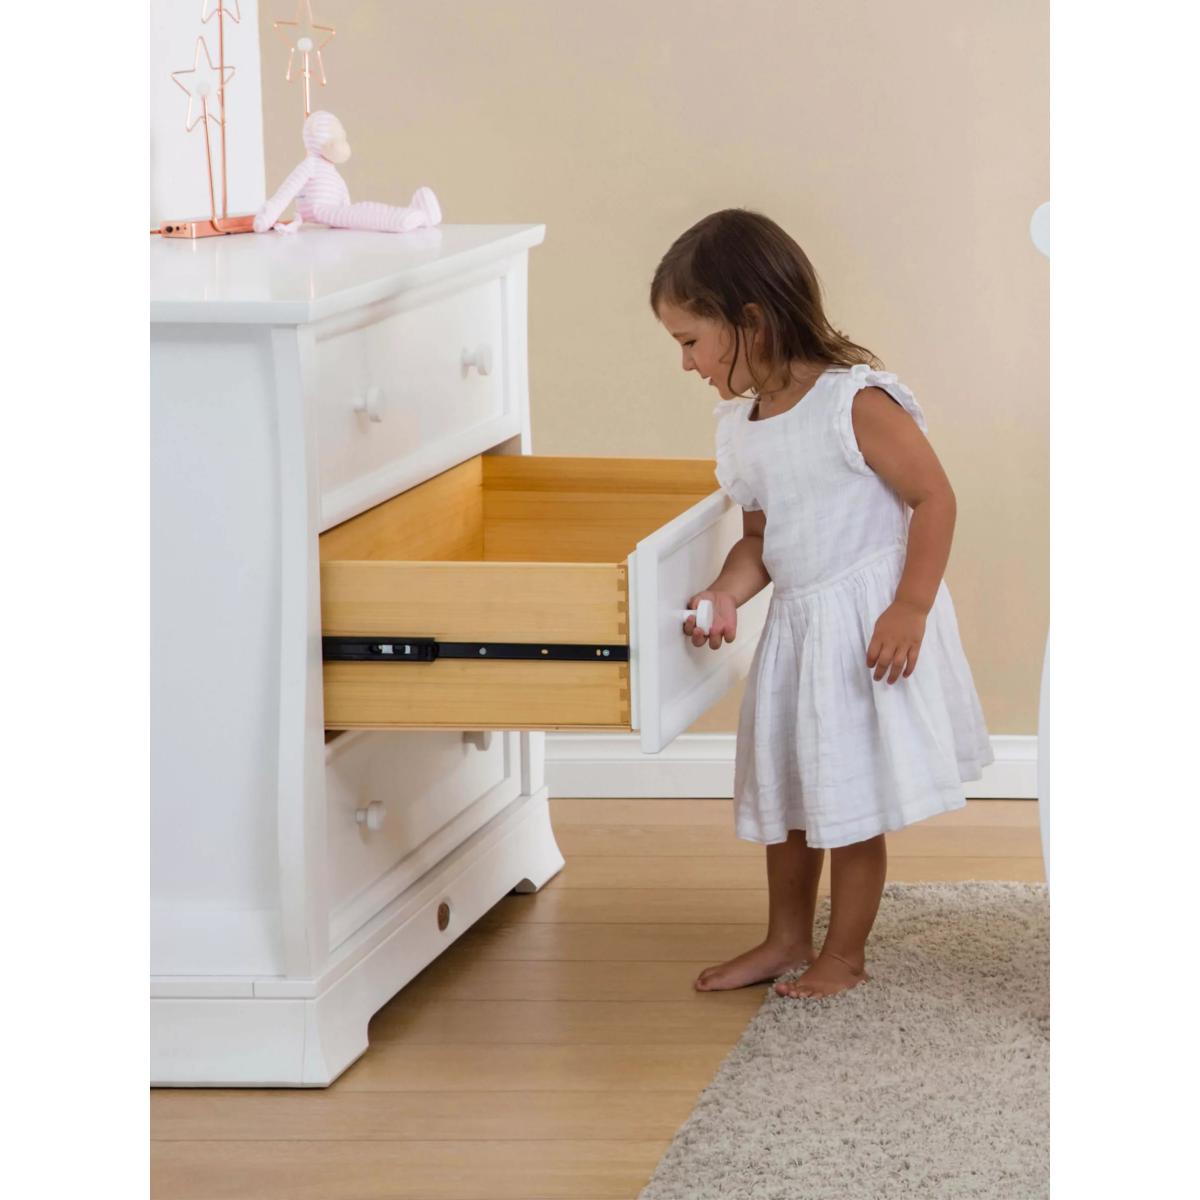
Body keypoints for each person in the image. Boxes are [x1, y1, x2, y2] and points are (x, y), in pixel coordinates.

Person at [650, 209, 993, 1000]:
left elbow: (934, 498)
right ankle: (784, 937)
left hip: (865, 631)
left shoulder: (854, 403)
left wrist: (910, 607)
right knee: (793, 793)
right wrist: (725, 594)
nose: (685, 362)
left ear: (751, 321)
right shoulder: (742, 428)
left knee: (850, 797)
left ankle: (845, 953)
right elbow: (759, 541)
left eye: (690, 341)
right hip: (799, 631)